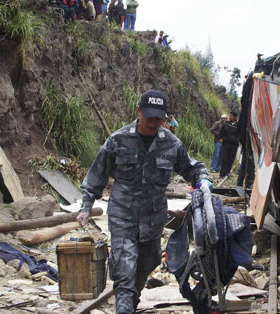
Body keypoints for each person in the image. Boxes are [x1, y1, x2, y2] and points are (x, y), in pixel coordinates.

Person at [77, 89, 212, 314]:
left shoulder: (171, 143)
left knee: (147, 264)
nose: (153, 123)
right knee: (124, 269)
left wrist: (204, 180)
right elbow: (96, 174)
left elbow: (191, 167)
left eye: (158, 119)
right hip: (123, 216)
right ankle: (125, 308)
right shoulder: (118, 140)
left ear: (165, 118)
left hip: (153, 219)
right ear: (138, 111)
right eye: (149, 117)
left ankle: (131, 301)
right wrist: (86, 206)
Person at [218, 111, 238, 178]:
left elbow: (240, 134)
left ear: (235, 117)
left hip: (234, 145)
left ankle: (227, 172)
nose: (230, 117)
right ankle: (222, 173)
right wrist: (220, 138)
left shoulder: (238, 125)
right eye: (230, 116)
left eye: (231, 116)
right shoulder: (226, 124)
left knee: (231, 159)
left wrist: (237, 141)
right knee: (224, 158)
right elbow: (220, 132)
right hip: (226, 143)